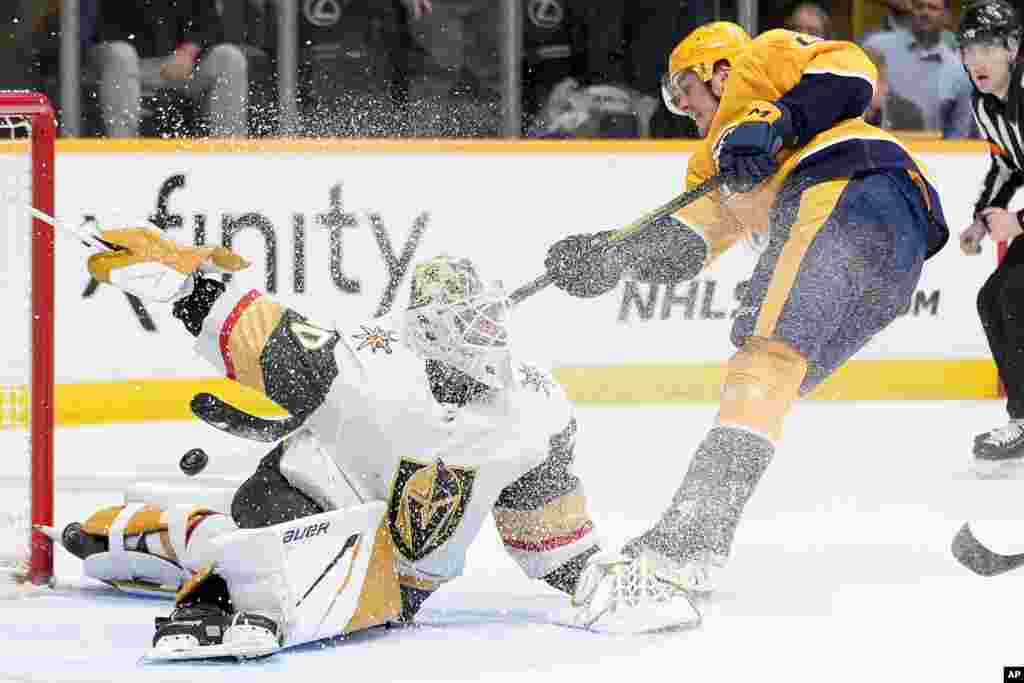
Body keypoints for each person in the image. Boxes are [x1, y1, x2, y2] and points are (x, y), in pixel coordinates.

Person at [53, 235, 700, 660]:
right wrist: (180, 281)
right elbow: (256, 328)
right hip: (298, 511)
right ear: (425, 330)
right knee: (255, 541)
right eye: (466, 320)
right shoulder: (360, 362)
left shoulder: (533, 407)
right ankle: (147, 543)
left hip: (392, 588)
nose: (485, 332)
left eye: (486, 316)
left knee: (284, 570)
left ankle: (190, 554)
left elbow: (545, 529)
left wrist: (591, 573)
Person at [542, 22, 949, 624]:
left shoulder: (762, 61)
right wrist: (614, 257)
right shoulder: (712, 163)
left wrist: (776, 120)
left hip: (853, 184)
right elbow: (690, 243)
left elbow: (852, 73)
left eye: (685, 93)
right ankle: (697, 542)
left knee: (767, 356)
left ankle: (690, 539)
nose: (685, 112)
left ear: (717, 72)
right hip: (899, 253)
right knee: (777, 381)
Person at [954, 0, 1024, 472]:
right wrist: (984, 217)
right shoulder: (987, 105)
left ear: (1013, 48)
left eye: (987, 47)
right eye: (967, 48)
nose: (976, 59)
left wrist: (1019, 223)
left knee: (1015, 296)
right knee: (994, 299)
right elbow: (1006, 165)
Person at [89, 0, 248, 137]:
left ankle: (227, 152)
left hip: (183, 64)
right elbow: (107, 28)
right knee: (121, 54)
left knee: (230, 58)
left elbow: (210, 22)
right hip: (128, 63)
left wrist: (189, 50)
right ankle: (123, 153)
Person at [862, 0, 974, 139]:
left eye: (933, 8)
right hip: (876, 152)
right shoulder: (877, 47)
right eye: (919, 7)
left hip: (931, 156)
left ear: (946, 16)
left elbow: (958, 134)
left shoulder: (958, 71)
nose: (925, 13)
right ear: (911, 10)